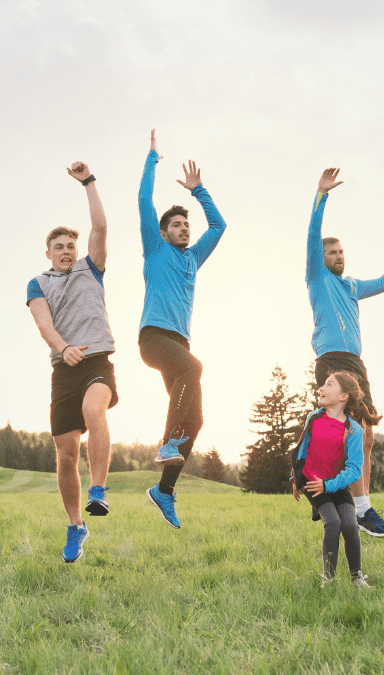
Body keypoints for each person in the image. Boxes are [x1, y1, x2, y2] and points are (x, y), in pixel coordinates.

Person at [305, 167, 384, 537]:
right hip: (333, 361)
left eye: (342, 251)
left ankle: (358, 505)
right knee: (350, 434)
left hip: (357, 364)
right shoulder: (317, 277)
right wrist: (321, 195)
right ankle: (357, 507)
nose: (339, 256)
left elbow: (383, 281)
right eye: (332, 252)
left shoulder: (352, 285)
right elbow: (312, 237)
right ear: (322, 257)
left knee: (368, 436)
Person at [27, 161, 117, 563]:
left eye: (70, 246)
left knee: (93, 408)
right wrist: (64, 349)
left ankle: (99, 489)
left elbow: (99, 227)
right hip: (63, 367)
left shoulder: (91, 270)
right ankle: (75, 526)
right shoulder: (38, 283)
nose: (66, 251)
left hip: (97, 359)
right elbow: (44, 325)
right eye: (59, 247)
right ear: (48, 252)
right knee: (65, 455)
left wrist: (88, 183)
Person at [138, 130, 227, 529]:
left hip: (179, 342)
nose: (183, 229)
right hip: (153, 338)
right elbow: (143, 201)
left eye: (185, 225)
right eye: (176, 225)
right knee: (194, 369)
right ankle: (169, 439)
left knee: (198, 420)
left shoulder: (193, 258)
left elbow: (219, 226)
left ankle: (164, 491)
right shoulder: (155, 250)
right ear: (163, 232)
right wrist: (153, 158)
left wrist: (199, 191)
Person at [292, 371, 378, 588]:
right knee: (333, 522)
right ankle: (328, 580)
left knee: (349, 525)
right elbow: (301, 450)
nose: (321, 388)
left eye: (329, 384)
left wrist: (329, 484)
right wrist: (295, 479)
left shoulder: (354, 430)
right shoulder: (314, 418)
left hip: (336, 484)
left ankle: (357, 578)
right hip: (313, 482)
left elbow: (354, 470)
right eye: (323, 384)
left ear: (343, 396)